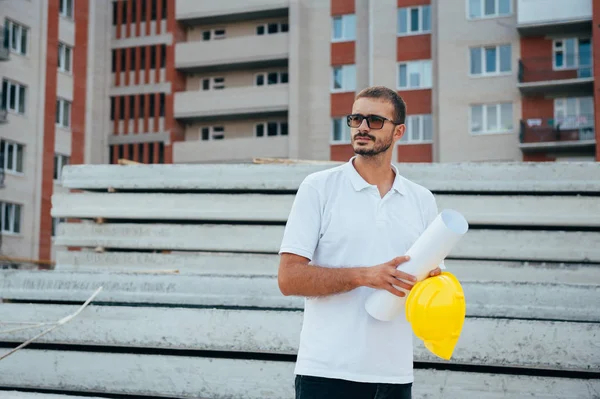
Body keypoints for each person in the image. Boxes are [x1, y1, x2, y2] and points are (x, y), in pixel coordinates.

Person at [277, 86, 443, 399]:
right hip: (327, 373)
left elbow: (428, 286)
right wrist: (366, 276)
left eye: (375, 120)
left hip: (394, 376)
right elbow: (288, 278)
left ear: (399, 132)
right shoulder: (319, 188)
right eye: (356, 119)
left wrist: (432, 283)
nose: (362, 127)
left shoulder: (422, 200)